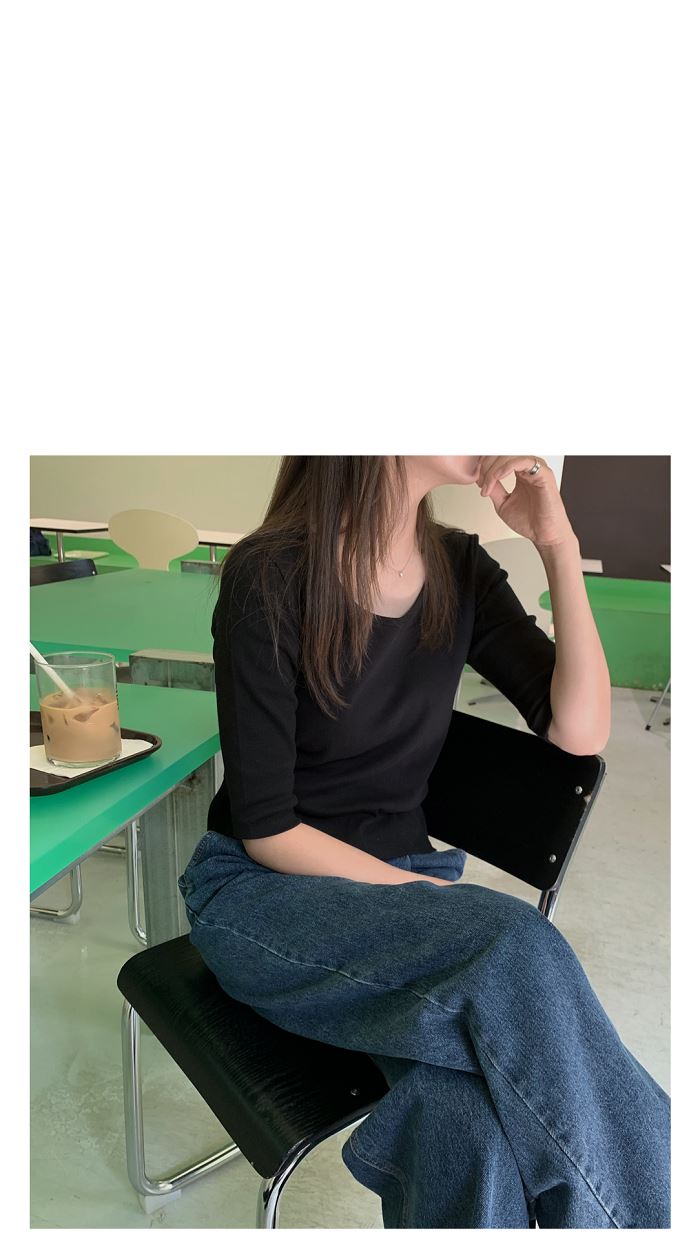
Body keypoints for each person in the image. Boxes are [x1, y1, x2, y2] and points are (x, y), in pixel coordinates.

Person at [178, 455, 670, 1229]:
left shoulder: (458, 569)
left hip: (399, 897)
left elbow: (579, 731)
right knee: (510, 942)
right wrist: (435, 904)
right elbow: (269, 830)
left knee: (463, 1124)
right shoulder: (270, 574)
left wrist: (559, 545)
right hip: (259, 895)